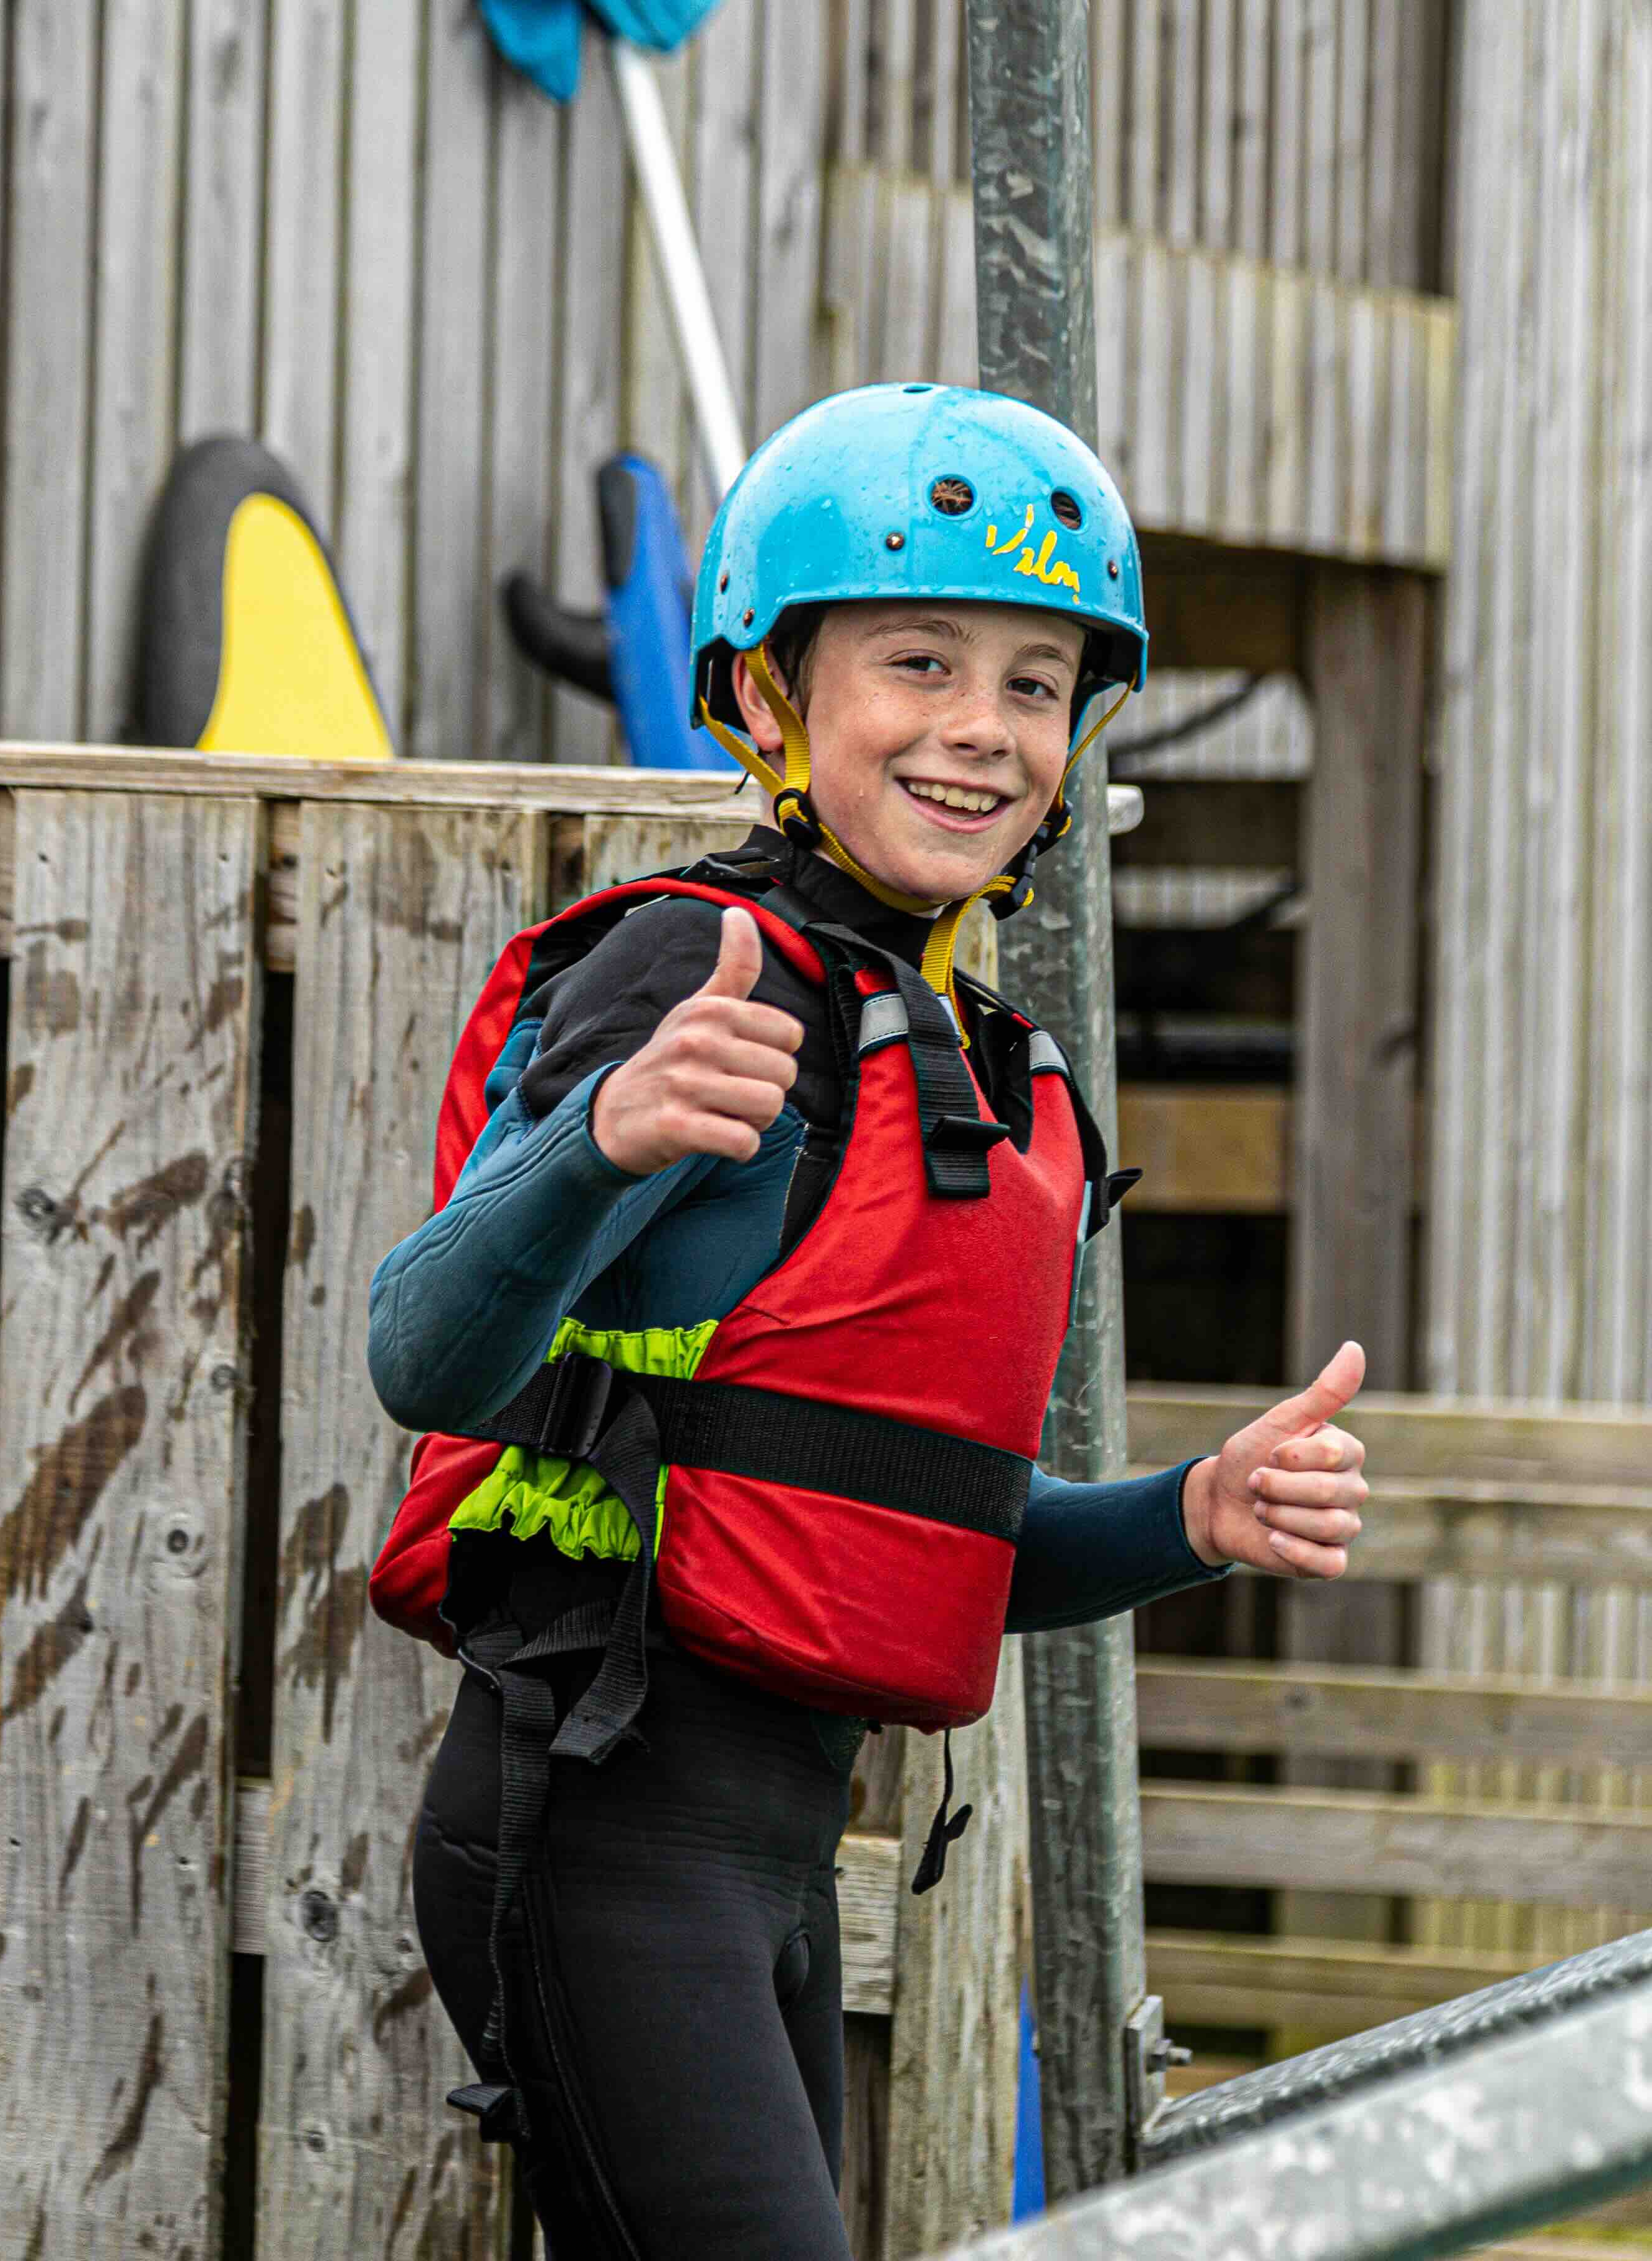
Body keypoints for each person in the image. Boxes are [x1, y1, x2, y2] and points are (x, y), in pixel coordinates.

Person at [364, 381, 1374, 2259]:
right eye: (921, 661)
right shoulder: (688, 967)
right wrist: (598, 1143)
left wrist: (1187, 1520)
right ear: (766, 695)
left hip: (761, 1863)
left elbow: (901, 1528)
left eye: (1036, 684)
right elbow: (421, 1357)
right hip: (595, 1829)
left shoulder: (957, 1044)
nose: (982, 730)